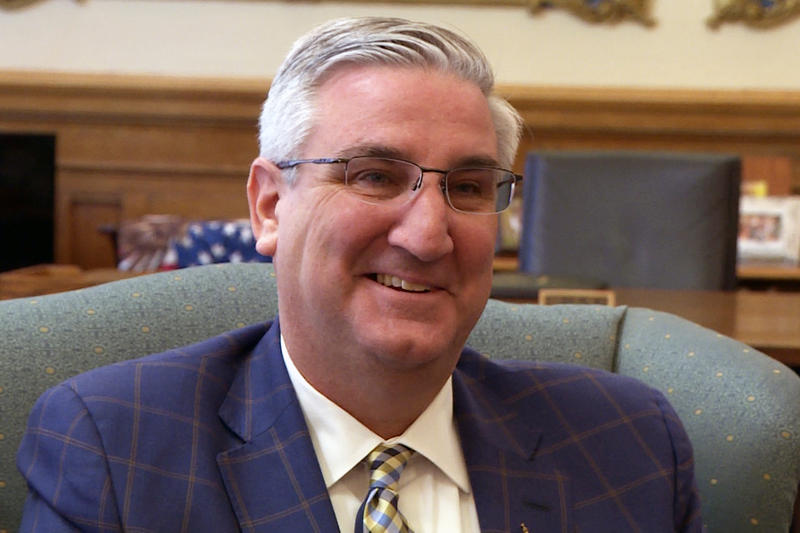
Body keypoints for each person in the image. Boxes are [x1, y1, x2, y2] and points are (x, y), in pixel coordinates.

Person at [17, 17, 702, 532]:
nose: (428, 233)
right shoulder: (115, 449)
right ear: (269, 205)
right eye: (375, 176)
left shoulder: (629, 442)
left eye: (467, 187)